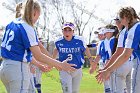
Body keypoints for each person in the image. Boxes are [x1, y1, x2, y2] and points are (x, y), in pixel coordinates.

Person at [0, 0, 75, 93]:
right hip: (17, 69)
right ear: (34, 13)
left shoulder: (12, 23)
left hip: (4, 68)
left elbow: (20, 53)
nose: (37, 20)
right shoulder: (27, 27)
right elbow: (38, 55)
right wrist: (60, 65)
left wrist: (47, 64)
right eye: (38, 17)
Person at [96, 6, 140, 93]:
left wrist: (107, 70)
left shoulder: (132, 30)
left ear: (125, 18)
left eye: (120, 20)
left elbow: (124, 55)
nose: (121, 23)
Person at [53, 22, 94, 93]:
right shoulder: (58, 41)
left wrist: (91, 60)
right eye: (65, 30)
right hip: (64, 69)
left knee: (75, 91)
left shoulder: (79, 40)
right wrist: (53, 62)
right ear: (62, 31)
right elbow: (56, 49)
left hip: (77, 69)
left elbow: (86, 48)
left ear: (73, 32)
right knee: (67, 91)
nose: (67, 32)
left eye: (69, 30)